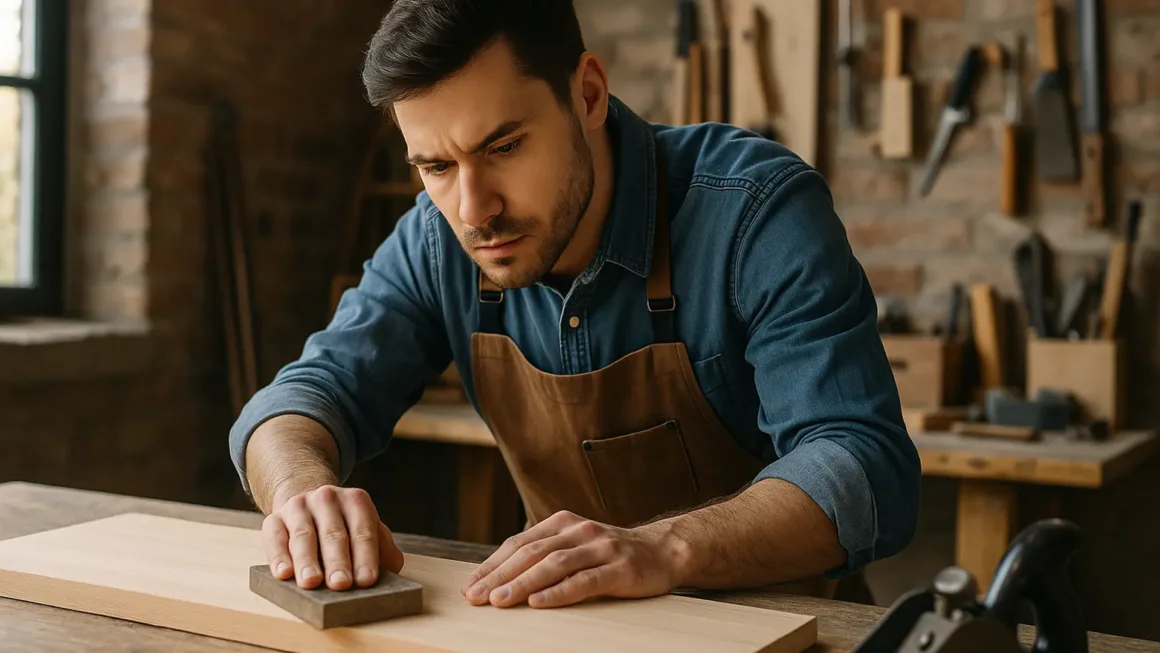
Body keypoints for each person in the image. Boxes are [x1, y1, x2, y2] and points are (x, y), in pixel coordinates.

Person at [228, 0, 921, 610]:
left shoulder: (754, 213)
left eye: (502, 146)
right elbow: (303, 397)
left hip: (782, 629)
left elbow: (862, 463)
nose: (475, 210)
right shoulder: (437, 239)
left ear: (587, 94)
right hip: (574, 631)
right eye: (435, 167)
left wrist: (665, 549)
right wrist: (301, 493)